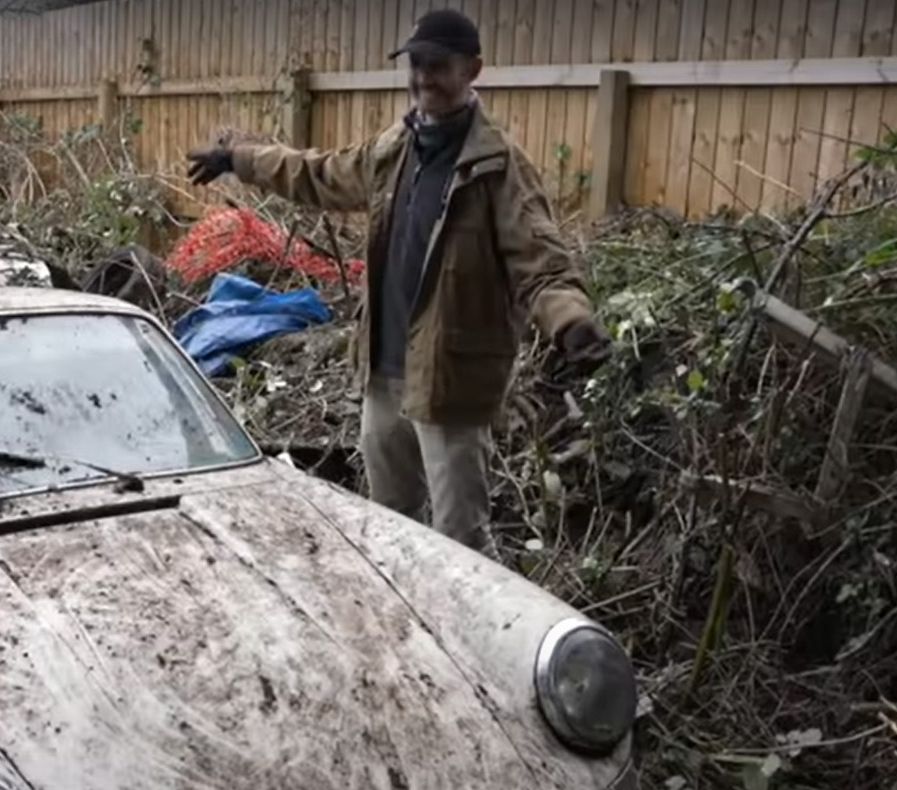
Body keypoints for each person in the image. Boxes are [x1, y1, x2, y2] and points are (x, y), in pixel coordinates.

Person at [184, 8, 611, 559]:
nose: (423, 77)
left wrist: (571, 320)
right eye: (416, 64)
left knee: (462, 544)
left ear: (472, 70)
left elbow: (542, 262)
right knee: (389, 529)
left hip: (452, 387)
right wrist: (237, 158)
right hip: (384, 376)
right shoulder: (394, 151)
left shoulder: (499, 167)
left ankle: (464, 641)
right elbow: (317, 172)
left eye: (439, 65)